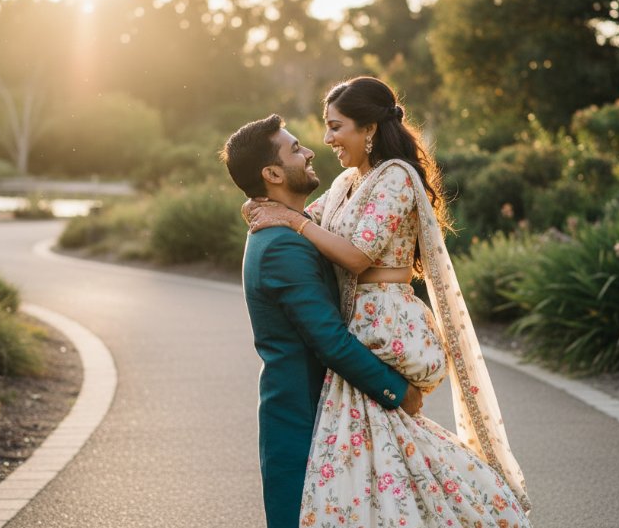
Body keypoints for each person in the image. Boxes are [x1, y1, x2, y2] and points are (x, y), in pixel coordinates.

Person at [246, 77, 531, 527]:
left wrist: (289, 222)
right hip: (359, 322)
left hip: (385, 325)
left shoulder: (396, 176)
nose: (327, 139)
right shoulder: (345, 183)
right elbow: (308, 218)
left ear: (369, 129)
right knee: (382, 451)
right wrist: (268, 209)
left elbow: (356, 256)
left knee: (379, 441)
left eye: (336, 126)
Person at [220, 114, 426, 528]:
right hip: (301, 419)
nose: (311, 149)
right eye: (295, 149)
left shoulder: (294, 228)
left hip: (325, 416)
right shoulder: (281, 246)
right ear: (272, 173)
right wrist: (397, 390)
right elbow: (329, 340)